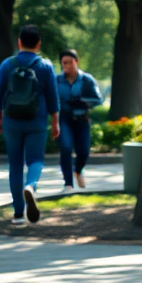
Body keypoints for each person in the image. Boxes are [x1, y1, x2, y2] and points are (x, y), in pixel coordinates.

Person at [0, 24, 60, 227]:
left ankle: (18, 214)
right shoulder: (45, 66)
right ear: (38, 44)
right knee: (36, 160)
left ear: (19, 42)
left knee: (15, 165)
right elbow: (53, 97)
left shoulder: (7, 64)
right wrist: (55, 121)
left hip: (12, 121)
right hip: (37, 121)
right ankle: (31, 186)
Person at [55, 50, 103, 194]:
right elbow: (51, 99)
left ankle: (78, 170)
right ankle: (68, 184)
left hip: (82, 119)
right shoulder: (57, 80)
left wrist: (82, 101)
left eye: (70, 62)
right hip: (64, 119)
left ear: (76, 62)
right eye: (64, 63)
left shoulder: (87, 79)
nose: (67, 66)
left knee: (84, 151)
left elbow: (98, 99)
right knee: (66, 148)